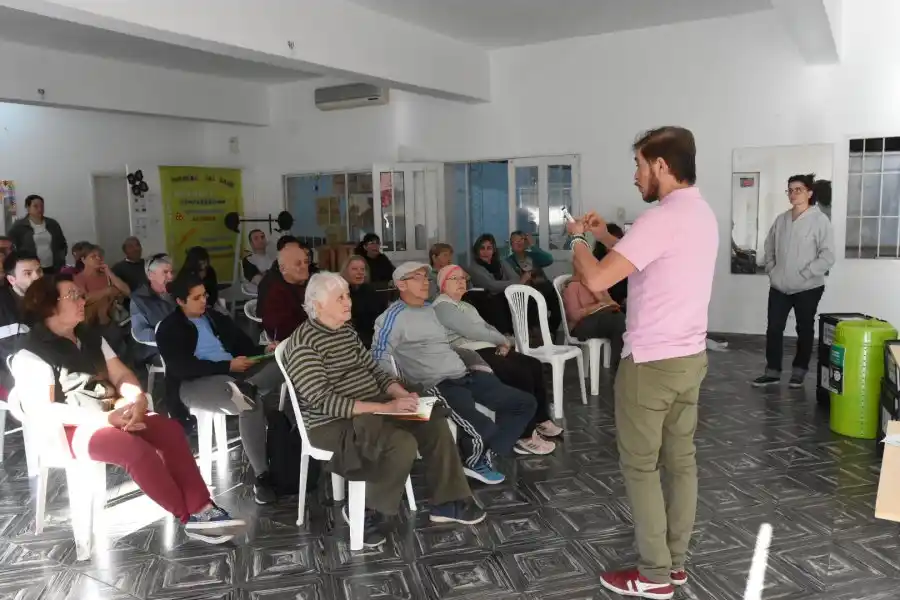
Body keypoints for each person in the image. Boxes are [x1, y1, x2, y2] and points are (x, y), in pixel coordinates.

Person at [567, 127, 717, 599]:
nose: (634, 176)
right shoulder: (701, 212)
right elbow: (644, 253)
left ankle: (652, 576)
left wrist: (576, 239)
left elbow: (594, 281)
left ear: (660, 166)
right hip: (690, 357)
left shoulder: (660, 217)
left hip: (651, 362)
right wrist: (603, 234)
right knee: (682, 462)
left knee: (640, 468)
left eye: (638, 165)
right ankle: (675, 565)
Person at [11, 275, 244, 543]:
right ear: (48, 306)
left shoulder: (89, 336)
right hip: (71, 430)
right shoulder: (30, 353)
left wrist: (137, 400)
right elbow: (46, 410)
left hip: (113, 413)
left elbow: (121, 376)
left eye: (80, 294)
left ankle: (202, 508)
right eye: (73, 295)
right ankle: (190, 516)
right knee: (135, 450)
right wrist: (104, 419)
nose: (82, 300)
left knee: (169, 430)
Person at [283, 272, 486, 548]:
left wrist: (400, 394)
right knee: (399, 442)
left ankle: (447, 502)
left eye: (347, 295)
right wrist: (385, 407)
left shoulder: (345, 331)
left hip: (373, 406)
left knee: (432, 421)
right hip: (331, 423)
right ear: (317, 306)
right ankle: (367, 512)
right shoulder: (303, 344)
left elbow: (374, 371)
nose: (348, 302)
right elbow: (324, 401)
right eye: (340, 298)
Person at [372, 262, 537, 485]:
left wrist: (477, 362)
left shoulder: (431, 310)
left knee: (524, 403)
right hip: (436, 383)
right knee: (483, 428)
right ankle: (474, 459)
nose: (425, 283)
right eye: (417, 278)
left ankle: (485, 453)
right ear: (401, 284)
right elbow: (378, 356)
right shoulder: (392, 317)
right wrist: (398, 391)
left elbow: (457, 340)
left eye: (426, 278)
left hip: (464, 374)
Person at [156, 273, 283, 505]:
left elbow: (244, 345)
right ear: (180, 302)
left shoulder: (214, 317)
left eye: (204, 295)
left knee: (286, 361)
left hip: (234, 374)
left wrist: (265, 350)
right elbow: (182, 367)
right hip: (194, 383)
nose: (204, 301)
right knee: (249, 404)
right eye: (196, 298)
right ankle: (262, 477)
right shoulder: (169, 328)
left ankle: (250, 386)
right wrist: (227, 364)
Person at [432, 264, 562, 454]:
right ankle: (523, 436)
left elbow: (487, 327)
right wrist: (502, 340)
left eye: (463, 279)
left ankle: (540, 418)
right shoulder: (443, 306)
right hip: (470, 352)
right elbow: (472, 331)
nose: (461, 282)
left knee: (533, 364)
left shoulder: (465, 305)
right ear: (443, 284)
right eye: (455, 279)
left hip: (487, 346)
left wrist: (504, 341)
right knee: (519, 372)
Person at [752, 173, 835, 389]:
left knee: (804, 328)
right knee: (774, 328)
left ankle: (799, 371)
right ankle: (772, 371)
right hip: (780, 286)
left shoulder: (820, 221)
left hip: (808, 287)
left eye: (798, 189)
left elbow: (828, 255)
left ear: (809, 193)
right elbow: (769, 246)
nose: (793, 193)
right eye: (790, 190)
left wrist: (807, 273)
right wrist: (772, 269)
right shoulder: (781, 220)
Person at [563, 269, 626, 372]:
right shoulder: (572, 287)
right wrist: (596, 307)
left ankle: (624, 365)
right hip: (580, 325)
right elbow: (574, 315)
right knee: (618, 322)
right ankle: (620, 368)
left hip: (603, 317)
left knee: (622, 320)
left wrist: (597, 294)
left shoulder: (598, 285)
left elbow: (611, 303)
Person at [74, 244, 131, 355]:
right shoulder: (79, 278)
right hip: (90, 325)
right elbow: (83, 298)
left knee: (119, 352)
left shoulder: (106, 276)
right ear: (83, 260)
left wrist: (108, 272)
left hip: (110, 321)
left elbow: (127, 291)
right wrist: (107, 291)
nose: (98, 259)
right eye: (93, 256)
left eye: (100, 256)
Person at [0, 252, 42, 389]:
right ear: (12, 280)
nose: (37, 277)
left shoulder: (49, 299)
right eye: (27, 273)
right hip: (11, 379)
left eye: (39, 271)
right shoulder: (2, 305)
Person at [467, 234, 521, 334]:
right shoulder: (474, 268)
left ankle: (529, 332)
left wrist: (502, 285)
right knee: (498, 301)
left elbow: (517, 279)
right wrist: (509, 284)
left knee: (526, 299)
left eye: (489, 248)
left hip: (504, 296)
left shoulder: (501, 263)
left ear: (494, 250)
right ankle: (506, 334)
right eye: (482, 248)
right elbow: (492, 286)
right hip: (486, 300)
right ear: (477, 251)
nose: (485, 252)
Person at [260, 244, 310, 341]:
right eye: (298, 263)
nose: (304, 266)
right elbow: (285, 333)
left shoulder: (307, 284)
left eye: (306, 262)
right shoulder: (277, 294)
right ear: (283, 269)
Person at [8, 195, 67, 274]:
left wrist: (61, 257)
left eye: (42, 206)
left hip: (54, 267)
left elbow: (62, 244)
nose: (40, 209)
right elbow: (10, 246)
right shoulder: (19, 226)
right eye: (35, 206)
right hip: (31, 268)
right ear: (28, 208)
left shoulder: (52, 224)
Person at [340, 255, 387, 349]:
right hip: (350, 342)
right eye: (354, 269)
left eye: (362, 269)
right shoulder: (340, 293)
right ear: (345, 272)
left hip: (374, 340)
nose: (360, 272)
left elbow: (382, 317)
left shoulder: (370, 291)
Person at [592, 223, 628, 307]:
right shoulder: (596, 260)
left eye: (617, 240)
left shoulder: (624, 259)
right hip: (608, 306)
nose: (613, 246)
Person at [241, 229, 276, 295]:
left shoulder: (274, 256)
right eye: (256, 238)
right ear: (251, 243)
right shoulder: (249, 260)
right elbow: (259, 281)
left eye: (262, 237)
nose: (260, 240)